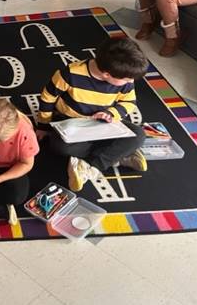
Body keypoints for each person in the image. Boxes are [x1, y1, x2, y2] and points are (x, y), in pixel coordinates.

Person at [37, 37, 148, 192]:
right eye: (126, 79)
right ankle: (117, 155)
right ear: (107, 74)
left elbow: (129, 103)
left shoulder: (125, 78)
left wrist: (111, 113)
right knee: (60, 147)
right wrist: (43, 126)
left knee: (139, 135)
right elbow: (47, 98)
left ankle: (91, 166)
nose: (130, 81)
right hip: (70, 123)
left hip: (103, 124)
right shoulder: (69, 74)